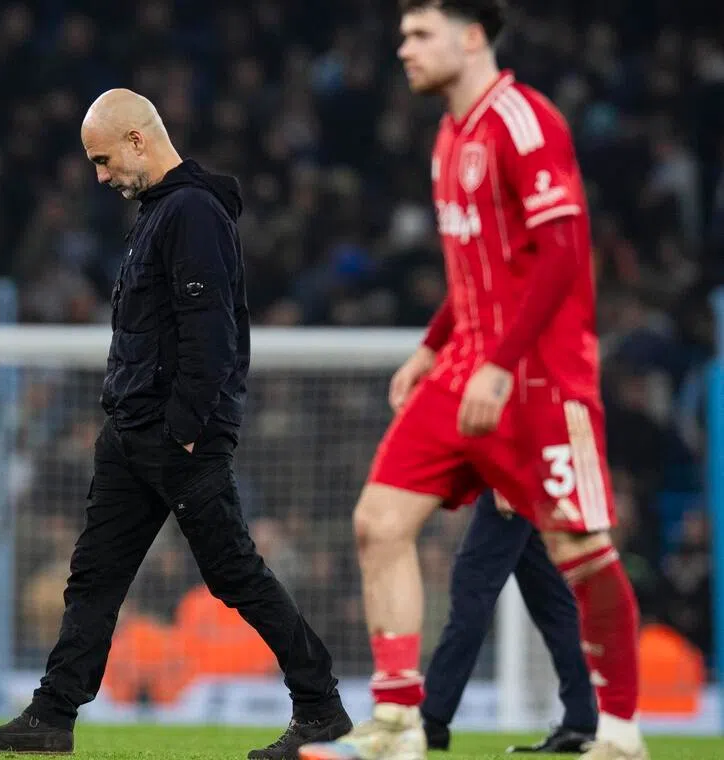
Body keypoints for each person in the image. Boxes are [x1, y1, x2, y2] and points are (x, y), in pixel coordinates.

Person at [0, 88, 353, 760]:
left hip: (173, 435)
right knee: (94, 576)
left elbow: (211, 333)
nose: (100, 176)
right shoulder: (165, 212)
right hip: (134, 430)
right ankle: (52, 716)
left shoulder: (191, 211)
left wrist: (185, 427)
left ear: (138, 140)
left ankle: (320, 705)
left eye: (104, 159)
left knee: (233, 573)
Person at [300, 2, 646, 759]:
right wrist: (432, 347)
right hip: (466, 371)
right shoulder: (450, 135)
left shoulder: (525, 121)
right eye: (402, 36)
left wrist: (499, 363)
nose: (405, 49)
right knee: (378, 522)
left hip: (540, 377)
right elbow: (480, 268)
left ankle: (620, 733)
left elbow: (562, 253)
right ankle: (399, 723)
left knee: (579, 550)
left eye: (420, 34)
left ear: (473, 36)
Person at [422, 492, 597, 754]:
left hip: (509, 484)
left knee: (472, 590)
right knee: (553, 604)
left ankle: (431, 719)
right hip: (528, 489)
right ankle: (581, 720)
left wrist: (503, 484)